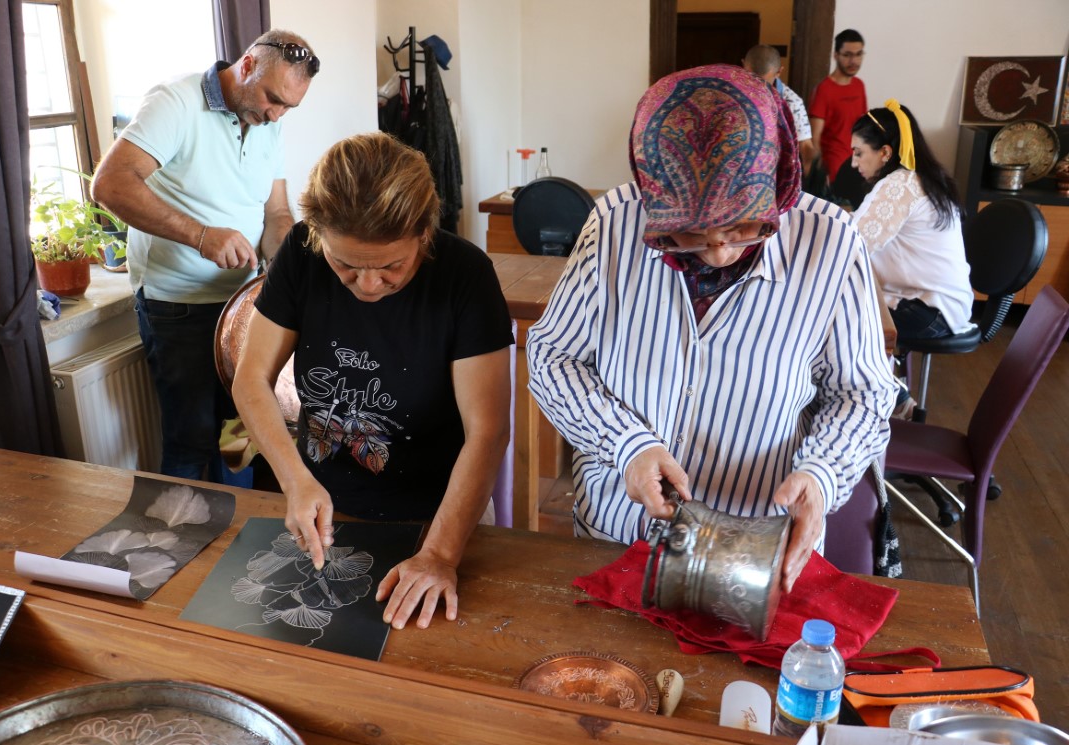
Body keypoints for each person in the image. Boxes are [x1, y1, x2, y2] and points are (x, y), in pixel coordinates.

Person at [526, 65, 897, 592]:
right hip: (616, 538)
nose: (720, 250)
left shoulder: (831, 245)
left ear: (777, 179)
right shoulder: (615, 225)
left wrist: (822, 474)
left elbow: (861, 395)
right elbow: (552, 359)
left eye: (745, 226)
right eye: (689, 234)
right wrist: (626, 444)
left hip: (750, 557)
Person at [231, 132, 513, 630]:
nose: (368, 284)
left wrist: (441, 554)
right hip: (324, 507)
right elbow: (251, 379)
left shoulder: (465, 276)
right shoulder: (300, 253)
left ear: (424, 232)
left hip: (440, 516)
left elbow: (487, 431)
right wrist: (296, 483)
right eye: (345, 264)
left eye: (391, 266)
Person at [90, 30, 319, 482]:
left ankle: (240, 543)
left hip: (246, 309)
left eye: (288, 107)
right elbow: (109, 185)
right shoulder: (174, 103)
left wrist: (294, 264)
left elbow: (275, 213)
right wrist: (200, 236)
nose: (276, 115)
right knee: (192, 440)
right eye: (273, 99)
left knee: (245, 433)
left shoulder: (269, 122)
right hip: (178, 308)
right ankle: (184, 549)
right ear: (248, 65)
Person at [851, 100, 975, 418]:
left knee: (834, 320)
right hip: (945, 307)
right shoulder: (921, 179)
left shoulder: (900, 185)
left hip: (929, 313)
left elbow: (853, 245)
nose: (853, 163)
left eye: (858, 152)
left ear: (885, 153)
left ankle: (885, 396)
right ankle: (889, 391)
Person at [743, 44, 818, 182]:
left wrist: (813, 173)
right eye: (752, 79)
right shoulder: (735, 95)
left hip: (776, 179)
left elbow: (806, 146)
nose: (758, 88)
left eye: (764, 82)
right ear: (743, 66)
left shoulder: (792, 103)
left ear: (779, 72)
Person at [809, 29, 867, 197]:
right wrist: (821, 171)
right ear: (836, 55)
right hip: (834, 171)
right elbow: (815, 138)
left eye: (858, 54)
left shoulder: (859, 85)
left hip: (858, 167)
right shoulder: (824, 90)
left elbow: (863, 128)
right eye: (847, 55)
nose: (853, 61)